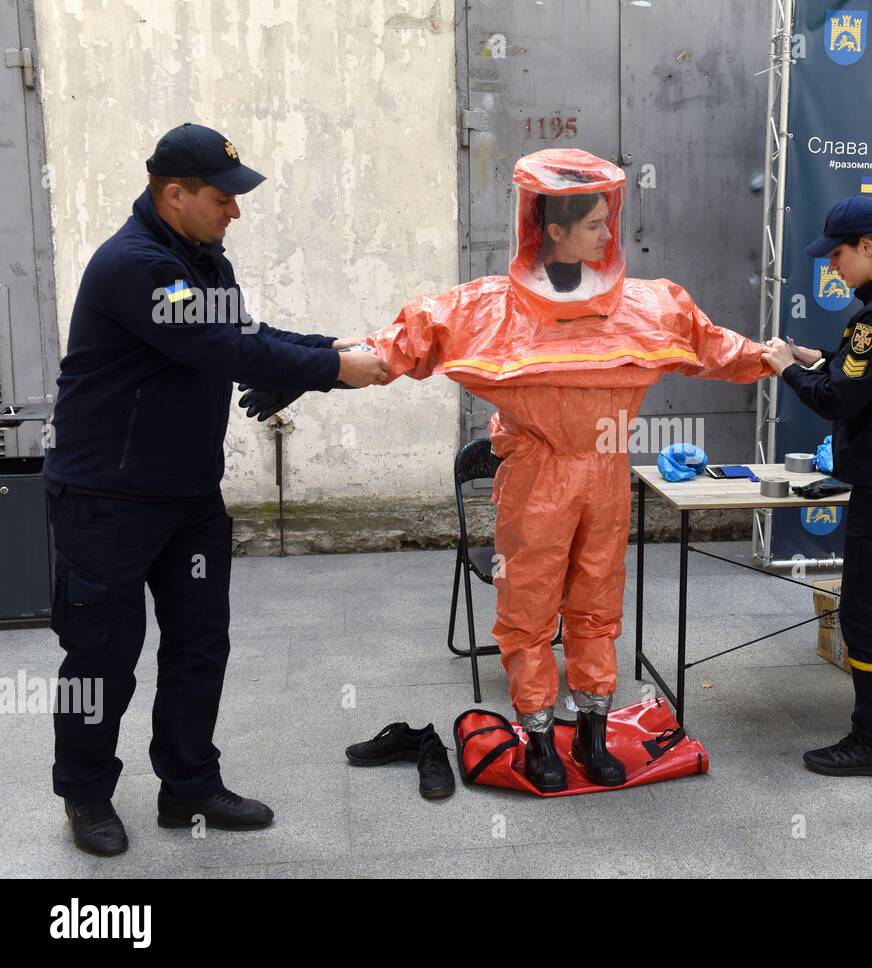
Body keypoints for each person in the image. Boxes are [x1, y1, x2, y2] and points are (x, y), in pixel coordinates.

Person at [240, 148, 772, 792]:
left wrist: (776, 358)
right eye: (595, 223)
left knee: (598, 606)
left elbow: (713, 345)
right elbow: (399, 346)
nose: (609, 235)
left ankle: (594, 736)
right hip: (538, 479)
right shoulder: (490, 310)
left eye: (609, 221)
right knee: (528, 610)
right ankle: (540, 737)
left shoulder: (646, 305)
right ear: (553, 228)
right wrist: (310, 372)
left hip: (603, 474)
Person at [42, 123, 388, 856]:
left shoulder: (202, 258)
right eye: (223, 197)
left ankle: (190, 786)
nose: (236, 210)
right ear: (174, 194)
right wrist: (332, 372)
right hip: (107, 498)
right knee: (101, 654)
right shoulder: (136, 266)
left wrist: (323, 350)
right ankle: (84, 793)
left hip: (188, 495)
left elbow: (243, 331)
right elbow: (222, 346)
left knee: (200, 643)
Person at [761, 195, 872, 777]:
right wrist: (818, 357)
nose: (832, 266)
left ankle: (871, 745)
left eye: (837, 254)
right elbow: (867, 374)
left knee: (864, 615)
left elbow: (840, 396)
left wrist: (784, 369)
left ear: (868, 248)